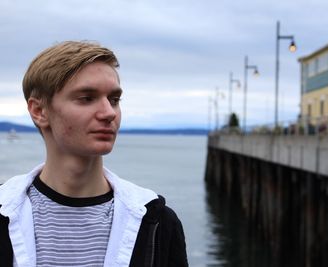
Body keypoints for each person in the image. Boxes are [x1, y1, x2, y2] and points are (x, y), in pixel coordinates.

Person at [0, 41, 188, 267]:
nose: (109, 112)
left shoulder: (157, 223)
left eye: (114, 100)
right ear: (39, 111)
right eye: (87, 98)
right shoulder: (5, 215)